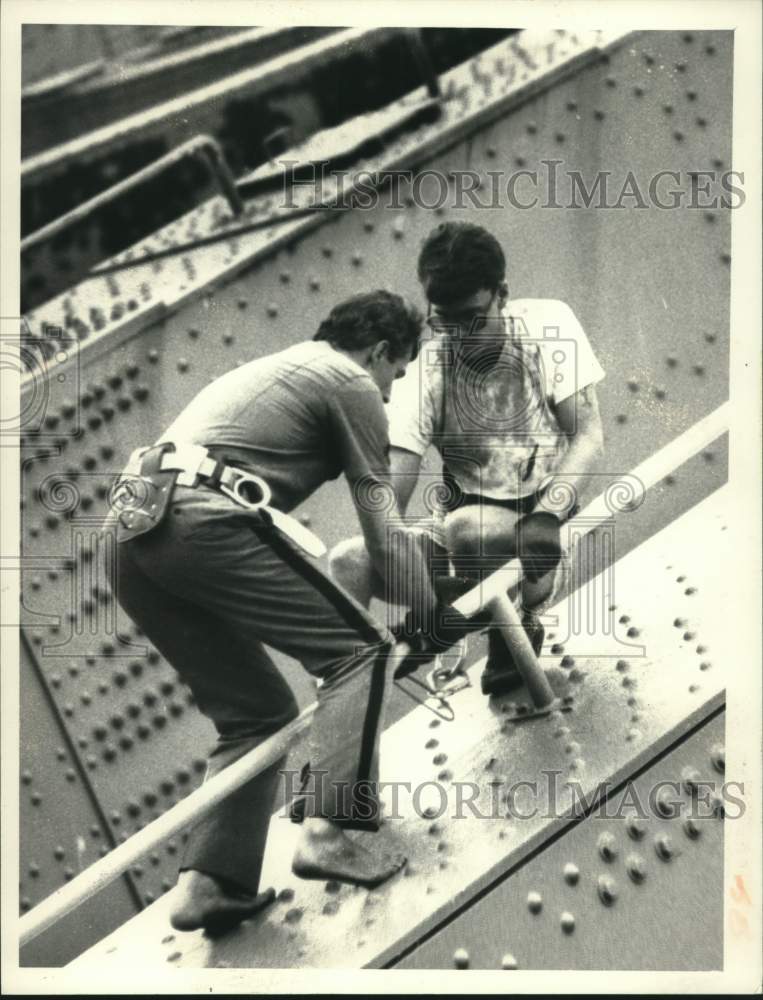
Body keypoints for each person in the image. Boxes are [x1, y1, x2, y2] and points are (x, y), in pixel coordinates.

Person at [102, 290, 442, 934]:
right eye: (395, 374)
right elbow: (383, 533)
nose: (392, 394)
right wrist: (431, 613)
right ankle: (327, 829)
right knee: (357, 651)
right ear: (378, 352)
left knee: (253, 715)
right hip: (196, 515)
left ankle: (208, 883)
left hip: (128, 530)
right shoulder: (349, 381)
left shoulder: (284, 368)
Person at [330, 222, 605, 696]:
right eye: (446, 320)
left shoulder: (546, 326)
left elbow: (588, 436)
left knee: (468, 528)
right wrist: (418, 592)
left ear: (503, 294)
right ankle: (349, 690)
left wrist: (547, 515)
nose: (459, 335)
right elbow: (390, 501)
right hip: (457, 544)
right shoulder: (424, 368)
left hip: (536, 539)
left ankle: (515, 627)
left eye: (473, 318)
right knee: (348, 562)